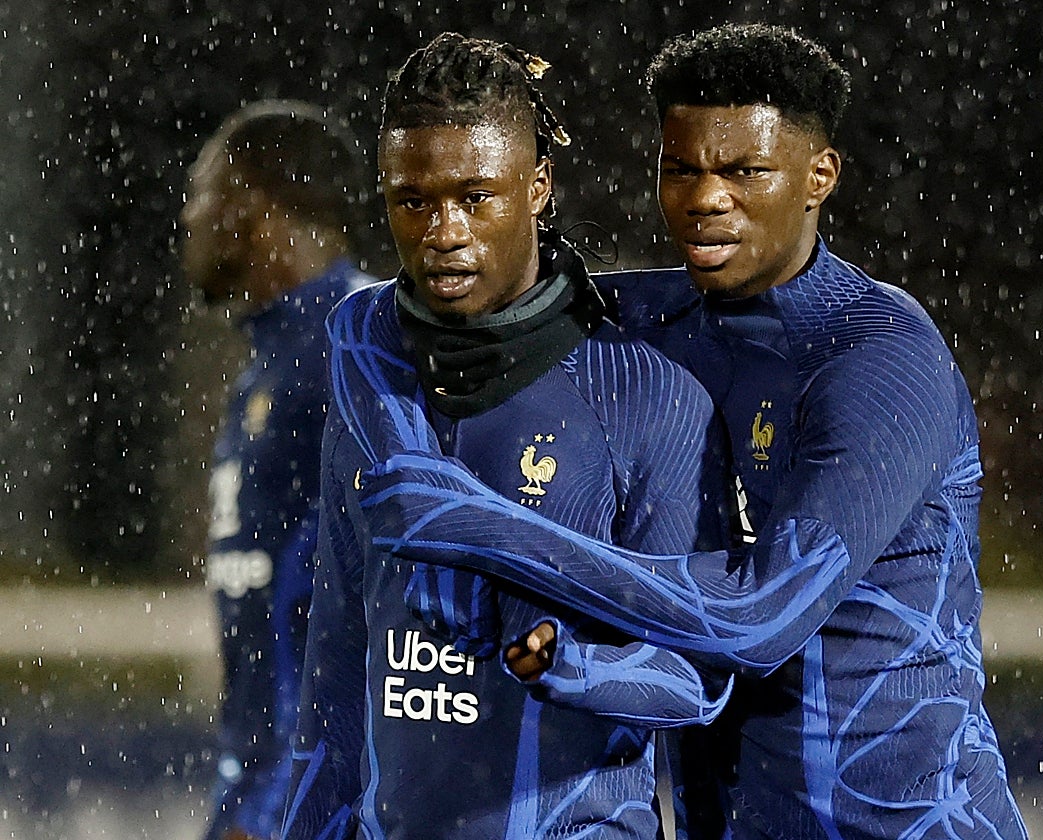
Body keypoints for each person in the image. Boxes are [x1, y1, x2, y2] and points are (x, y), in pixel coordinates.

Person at [357, 24, 1030, 840]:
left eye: (744, 171)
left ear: (820, 176)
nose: (705, 197)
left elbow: (761, 618)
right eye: (681, 169)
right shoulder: (649, 322)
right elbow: (427, 307)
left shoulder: (879, 358)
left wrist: (480, 527)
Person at [282, 33, 731, 840]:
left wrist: (572, 665)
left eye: (475, 197)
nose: (442, 231)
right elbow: (341, 656)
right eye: (411, 200)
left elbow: (701, 675)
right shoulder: (364, 362)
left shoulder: (646, 395)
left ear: (538, 188)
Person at [180, 100, 373, 840]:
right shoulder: (279, 359)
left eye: (203, 192)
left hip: (310, 799)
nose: (189, 217)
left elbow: (360, 603)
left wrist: (286, 801)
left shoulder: (360, 345)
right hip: (266, 788)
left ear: (254, 208)